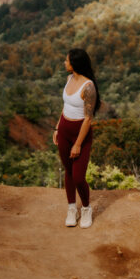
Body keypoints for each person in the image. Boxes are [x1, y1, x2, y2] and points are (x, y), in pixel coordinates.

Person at [52, 47, 101, 228]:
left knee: (79, 177)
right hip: (64, 129)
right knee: (69, 171)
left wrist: (78, 144)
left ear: (75, 64)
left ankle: (86, 209)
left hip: (80, 133)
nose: (65, 63)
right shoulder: (69, 79)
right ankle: (72, 208)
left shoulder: (88, 87)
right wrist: (57, 128)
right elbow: (65, 107)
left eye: (67, 61)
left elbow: (88, 118)